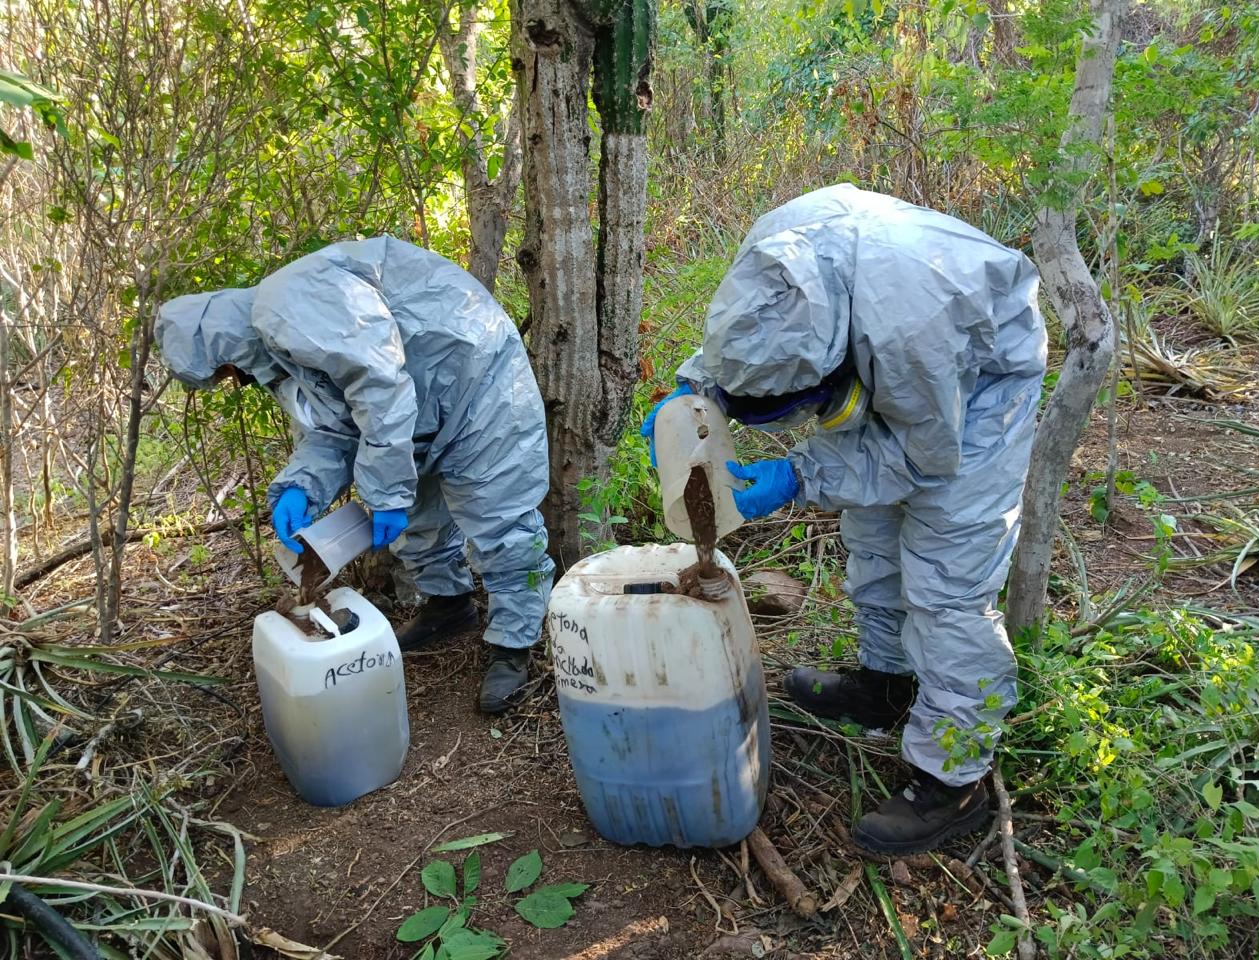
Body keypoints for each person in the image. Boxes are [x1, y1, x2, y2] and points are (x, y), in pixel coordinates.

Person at [643, 185, 1047, 854]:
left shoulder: (914, 330)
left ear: (827, 372)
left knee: (946, 579)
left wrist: (803, 474)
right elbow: (747, 334)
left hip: (977, 380)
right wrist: (695, 391)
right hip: (894, 345)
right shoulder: (776, 255)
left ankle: (954, 778)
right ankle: (886, 685)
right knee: (872, 531)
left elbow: (924, 456)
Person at [155, 236, 555, 713]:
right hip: (420, 408)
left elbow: (380, 384)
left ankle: (514, 646)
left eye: (221, 371)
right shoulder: (281, 358)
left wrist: (385, 492)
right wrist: (301, 487)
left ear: (219, 342)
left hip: (477, 380)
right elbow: (336, 429)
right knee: (421, 519)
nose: (231, 380)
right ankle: (449, 606)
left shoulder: (287, 303)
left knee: (499, 516)